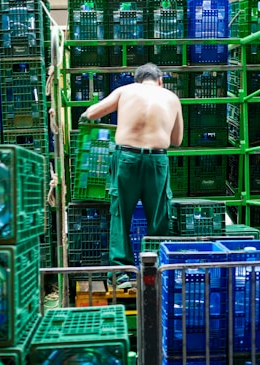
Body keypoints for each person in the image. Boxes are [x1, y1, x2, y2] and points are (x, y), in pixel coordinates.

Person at [79, 63, 184, 289]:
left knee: (121, 214)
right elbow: (177, 140)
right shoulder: (171, 97)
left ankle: (120, 274)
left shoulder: (125, 91)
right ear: (160, 80)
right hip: (157, 160)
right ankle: (154, 270)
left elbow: (91, 114)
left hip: (127, 158)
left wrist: (86, 118)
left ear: (137, 80)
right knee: (158, 216)